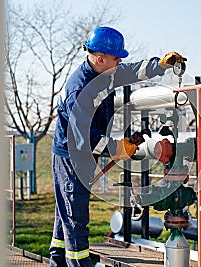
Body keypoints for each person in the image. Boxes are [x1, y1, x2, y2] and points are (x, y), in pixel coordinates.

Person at [49, 26, 185, 267]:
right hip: (71, 155)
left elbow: (133, 71)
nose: (121, 61)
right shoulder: (79, 89)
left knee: (66, 211)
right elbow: (84, 137)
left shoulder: (106, 72)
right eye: (116, 57)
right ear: (100, 59)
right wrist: (116, 147)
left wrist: (161, 65)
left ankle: (58, 260)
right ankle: (78, 262)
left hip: (82, 150)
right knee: (75, 215)